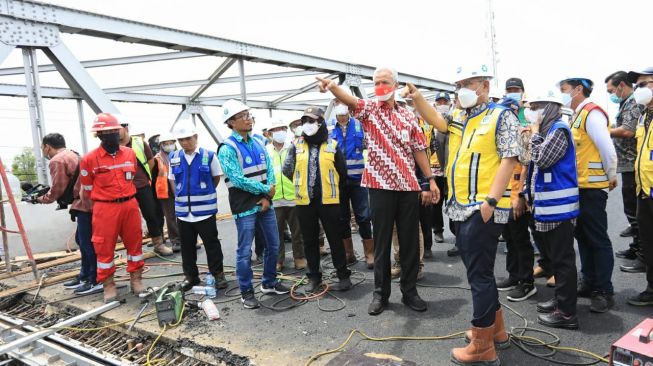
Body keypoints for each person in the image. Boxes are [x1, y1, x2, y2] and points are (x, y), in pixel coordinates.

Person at [408, 64, 519, 365]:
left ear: (484, 85)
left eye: (469, 83)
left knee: (479, 276)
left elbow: (509, 160)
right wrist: (417, 97)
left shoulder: (501, 115)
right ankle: (495, 331)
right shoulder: (460, 117)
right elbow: (436, 121)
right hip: (461, 208)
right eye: (459, 85)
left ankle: (482, 345)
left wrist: (491, 202)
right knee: (478, 271)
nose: (462, 90)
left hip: (482, 208)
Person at [317, 66, 439, 316]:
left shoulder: (408, 116)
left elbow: (418, 149)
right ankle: (380, 294)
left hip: (407, 186)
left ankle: (409, 291)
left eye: (384, 82)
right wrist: (332, 86)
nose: (379, 86)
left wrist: (430, 179)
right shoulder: (369, 110)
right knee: (382, 242)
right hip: (379, 186)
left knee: (409, 243)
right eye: (375, 82)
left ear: (394, 85)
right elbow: (350, 99)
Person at [218, 100, 291, 309]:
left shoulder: (258, 143)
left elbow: (269, 170)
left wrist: (268, 194)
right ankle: (246, 291)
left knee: (273, 244)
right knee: (244, 251)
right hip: (244, 206)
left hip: (264, 202)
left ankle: (269, 282)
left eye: (249, 115)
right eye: (243, 116)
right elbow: (237, 178)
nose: (249, 119)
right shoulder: (227, 149)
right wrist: (264, 191)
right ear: (231, 122)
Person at [521, 90, 580, 329]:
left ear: (548, 108)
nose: (531, 111)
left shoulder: (558, 130)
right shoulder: (549, 130)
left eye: (535, 106)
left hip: (560, 208)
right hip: (547, 207)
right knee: (556, 258)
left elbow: (542, 159)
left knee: (563, 261)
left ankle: (567, 314)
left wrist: (534, 134)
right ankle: (560, 301)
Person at [559, 77, 618, 313]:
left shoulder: (592, 113)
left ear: (578, 89)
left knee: (597, 239)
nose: (562, 95)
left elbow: (607, 148)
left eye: (563, 90)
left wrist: (611, 175)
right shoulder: (576, 117)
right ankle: (589, 280)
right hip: (579, 188)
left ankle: (604, 290)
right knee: (583, 237)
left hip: (593, 189)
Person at [282, 106, 353, 293]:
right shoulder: (296, 145)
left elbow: (342, 172)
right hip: (305, 201)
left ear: (321, 122)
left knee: (335, 239)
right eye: (305, 121)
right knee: (310, 241)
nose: (307, 125)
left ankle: (343, 276)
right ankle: (314, 277)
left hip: (328, 201)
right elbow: (287, 170)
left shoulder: (332, 144)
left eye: (312, 121)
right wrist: (302, 183)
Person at [79, 113, 145, 302]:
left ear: (119, 131)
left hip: (130, 204)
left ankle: (136, 280)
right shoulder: (89, 159)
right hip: (104, 208)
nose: (110, 135)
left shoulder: (130, 154)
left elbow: (131, 177)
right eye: (104, 133)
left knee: (135, 244)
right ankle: (109, 286)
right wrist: (101, 208)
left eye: (113, 131)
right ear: (98, 136)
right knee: (104, 248)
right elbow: (88, 190)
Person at [168, 121, 228, 293]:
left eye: (187, 138)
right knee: (187, 247)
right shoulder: (174, 157)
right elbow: (173, 179)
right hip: (183, 213)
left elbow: (216, 178)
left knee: (211, 244)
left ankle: (218, 274)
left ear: (195, 137)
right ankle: (191, 277)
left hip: (204, 211)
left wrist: (203, 193)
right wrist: (179, 196)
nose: (184, 143)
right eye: (181, 140)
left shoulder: (208, 156)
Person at [37, 133, 100, 295]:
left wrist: (40, 199)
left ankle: (95, 280)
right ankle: (84, 276)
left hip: (84, 203)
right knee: (81, 239)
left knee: (86, 242)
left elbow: (57, 189)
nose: (43, 152)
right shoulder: (75, 154)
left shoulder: (56, 160)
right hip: (89, 201)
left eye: (43, 148)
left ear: (47, 147)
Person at [496, 78, 536, 302]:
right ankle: (514, 275)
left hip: (517, 193)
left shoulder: (527, 123)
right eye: (509, 90)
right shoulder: (504, 124)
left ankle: (527, 282)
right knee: (509, 237)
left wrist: (520, 196)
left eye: (516, 91)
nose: (512, 94)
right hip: (503, 194)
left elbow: (528, 164)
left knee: (521, 238)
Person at [605, 71, 644, 273]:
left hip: (632, 163)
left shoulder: (633, 103)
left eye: (611, 90)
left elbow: (628, 130)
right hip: (627, 163)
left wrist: (604, 130)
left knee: (636, 212)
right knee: (632, 210)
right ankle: (637, 247)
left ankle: (642, 256)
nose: (611, 94)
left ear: (621, 85)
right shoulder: (625, 103)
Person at [330, 103, 374, 268]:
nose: (341, 114)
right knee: (342, 218)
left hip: (358, 178)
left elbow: (369, 146)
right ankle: (348, 253)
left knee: (363, 215)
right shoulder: (328, 128)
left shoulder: (360, 124)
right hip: (338, 180)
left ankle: (370, 253)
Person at [119, 122, 172, 256]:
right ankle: (134, 250)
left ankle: (158, 244)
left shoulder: (139, 143)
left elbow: (150, 161)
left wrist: (141, 176)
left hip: (142, 185)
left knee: (151, 214)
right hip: (123, 188)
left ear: (125, 128)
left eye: (117, 128)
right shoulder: (112, 146)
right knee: (128, 219)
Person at [626, 67, 653, 307]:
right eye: (638, 86)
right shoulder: (645, 116)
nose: (640, 90)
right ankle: (652, 289)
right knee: (649, 243)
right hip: (644, 191)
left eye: (645, 84)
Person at [266, 118, 306, 272]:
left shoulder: (293, 147)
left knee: (297, 232)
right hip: (274, 198)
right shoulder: (266, 151)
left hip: (293, 197)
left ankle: (299, 258)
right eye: (276, 130)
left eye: (282, 128)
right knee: (275, 233)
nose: (279, 132)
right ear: (270, 134)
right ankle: (278, 260)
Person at [152, 133, 182, 252]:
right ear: (161, 145)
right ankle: (176, 241)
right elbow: (154, 177)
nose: (169, 146)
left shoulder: (181, 155)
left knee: (184, 215)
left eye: (171, 143)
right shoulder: (157, 159)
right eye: (166, 144)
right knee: (170, 217)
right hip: (166, 191)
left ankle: (188, 238)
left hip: (180, 188)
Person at [432, 92, 452, 244]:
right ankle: (438, 230)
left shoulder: (455, 121)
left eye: (445, 101)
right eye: (439, 102)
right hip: (434, 171)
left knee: (452, 201)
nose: (442, 104)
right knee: (436, 203)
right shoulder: (429, 122)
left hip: (451, 171)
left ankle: (456, 230)